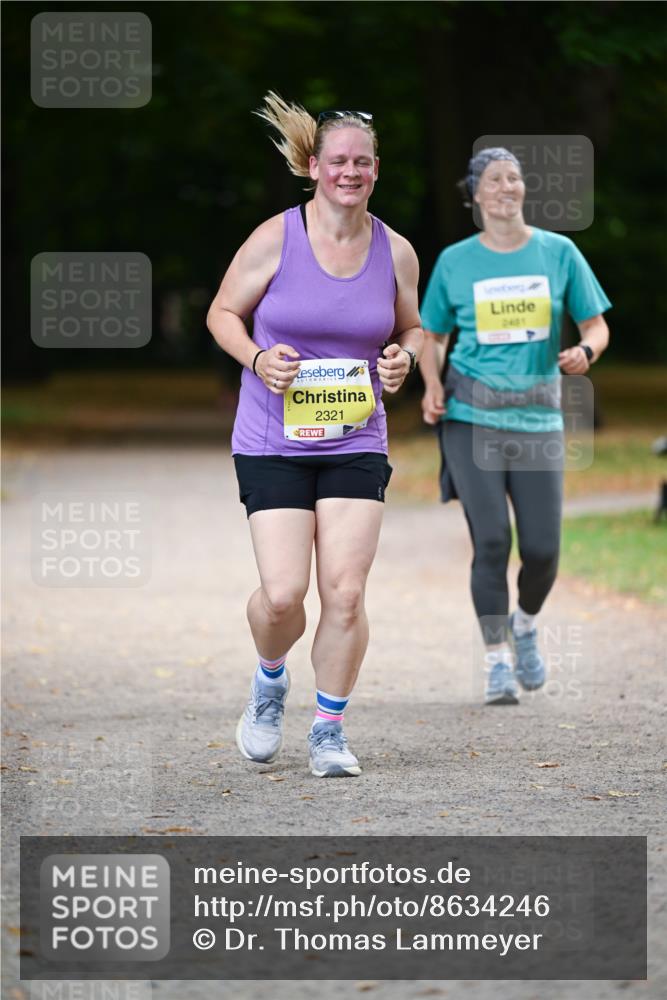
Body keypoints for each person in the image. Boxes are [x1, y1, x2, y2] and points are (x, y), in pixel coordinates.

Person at [207, 94, 422, 775]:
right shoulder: (276, 238)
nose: (349, 172)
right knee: (280, 596)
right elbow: (221, 313)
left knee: (347, 591)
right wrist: (256, 358)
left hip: (356, 438)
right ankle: (270, 677)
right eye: (337, 161)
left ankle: (328, 728)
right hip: (272, 438)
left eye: (361, 162)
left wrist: (403, 358)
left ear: (376, 169)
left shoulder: (396, 251)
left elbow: (410, 327)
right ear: (313, 165)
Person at [419, 147, 611, 705]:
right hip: (470, 416)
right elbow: (432, 336)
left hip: (537, 417)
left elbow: (596, 326)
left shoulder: (560, 252)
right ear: (475, 194)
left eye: (516, 178)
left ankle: (525, 625)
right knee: (492, 541)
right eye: (495, 179)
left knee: (545, 548)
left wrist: (584, 352)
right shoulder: (456, 261)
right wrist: (431, 385)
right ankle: (497, 659)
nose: (507, 187)